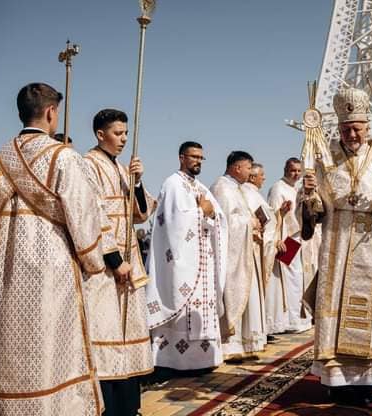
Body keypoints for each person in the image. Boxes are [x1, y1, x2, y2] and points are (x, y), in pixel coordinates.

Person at [0, 82, 107, 415]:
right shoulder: (63, 156)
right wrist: (93, 261)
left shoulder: (1, 158)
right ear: (52, 112)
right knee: (53, 346)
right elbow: (82, 215)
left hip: (8, 265)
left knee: (12, 345)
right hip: (53, 266)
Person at [299, 87, 372, 405]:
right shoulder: (324, 162)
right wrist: (308, 196)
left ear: (368, 127)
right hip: (336, 250)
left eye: (357, 128)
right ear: (338, 128)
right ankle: (336, 381)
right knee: (336, 315)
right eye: (346, 129)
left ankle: (369, 381)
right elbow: (314, 216)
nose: (351, 134)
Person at [82, 109, 156, 415]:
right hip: (105, 267)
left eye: (126, 133)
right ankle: (109, 407)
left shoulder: (123, 169)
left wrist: (137, 183)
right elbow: (91, 215)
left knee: (127, 336)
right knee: (106, 333)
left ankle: (129, 406)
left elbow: (141, 215)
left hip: (129, 265)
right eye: (117, 133)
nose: (124, 139)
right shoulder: (88, 164)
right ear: (101, 134)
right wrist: (114, 259)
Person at [145, 141, 228, 371]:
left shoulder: (201, 187)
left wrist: (209, 214)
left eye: (201, 158)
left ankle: (203, 360)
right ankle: (174, 362)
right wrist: (201, 211)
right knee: (182, 306)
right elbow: (174, 222)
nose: (198, 161)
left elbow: (217, 215)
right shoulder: (173, 184)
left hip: (202, 262)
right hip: (182, 263)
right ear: (182, 158)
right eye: (193, 157)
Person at [210, 151, 266, 361]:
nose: (250, 172)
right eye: (248, 168)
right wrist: (249, 223)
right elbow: (224, 223)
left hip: (244, 250)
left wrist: (253, 224)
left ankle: (244, 343)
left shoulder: (236, 188)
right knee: (233, 295)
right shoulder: (222, 188)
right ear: (237, 168)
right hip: (231, 255)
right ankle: (229, 346)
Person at [266, 158, 314, 335]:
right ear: (285, 169)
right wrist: (277, 239)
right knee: (290, 281)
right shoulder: (278, 188)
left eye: (299, 171)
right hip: (287, 240)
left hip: (299, 239)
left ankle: (302, 318)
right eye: (293, 170)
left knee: (300, 279)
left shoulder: (296, 189)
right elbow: (274, 216)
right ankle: (290, 321)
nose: (296, 174)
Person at [242, 163, 279, 342]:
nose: (264, 178)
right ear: (252, 176)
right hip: (254, 249)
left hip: (261, 247)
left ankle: (259, 330)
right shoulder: (248, 193)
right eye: (261, 175)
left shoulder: (253, 193)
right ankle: (252, 333)